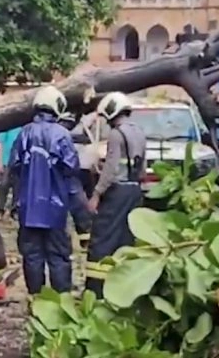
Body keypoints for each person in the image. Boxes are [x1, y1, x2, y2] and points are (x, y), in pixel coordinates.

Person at [10, 86, 80, 295]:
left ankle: (36, 299)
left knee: (32, 256)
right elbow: (71, 166)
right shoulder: (62, 134)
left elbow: (14, 165)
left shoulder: (25, 133)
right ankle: (61, 300)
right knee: (58, 255)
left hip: (28, 207)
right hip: (55, 207)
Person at [85, 92, 146, 298]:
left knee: (102, 240)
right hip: (134, 191)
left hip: (117, 193)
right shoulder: (139, 131)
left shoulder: (116, 134)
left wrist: (96, 194)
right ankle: (123, 290)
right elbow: (142, 170)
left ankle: (96, 290)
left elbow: (111, 169)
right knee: (125, 240)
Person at [57, 113, 92, 237]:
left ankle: (84, 236)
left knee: (81, 207)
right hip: (60, 177)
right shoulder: (56, 135)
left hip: (72, 175)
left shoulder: (77, 129)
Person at [0, 124, 22, 216]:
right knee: (3, 185)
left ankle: (14, 210)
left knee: (17, 187)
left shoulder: (23, 128)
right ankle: (0, 208)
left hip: (18, 163)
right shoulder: (6, 128)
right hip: (6, 161)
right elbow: (0, 143)